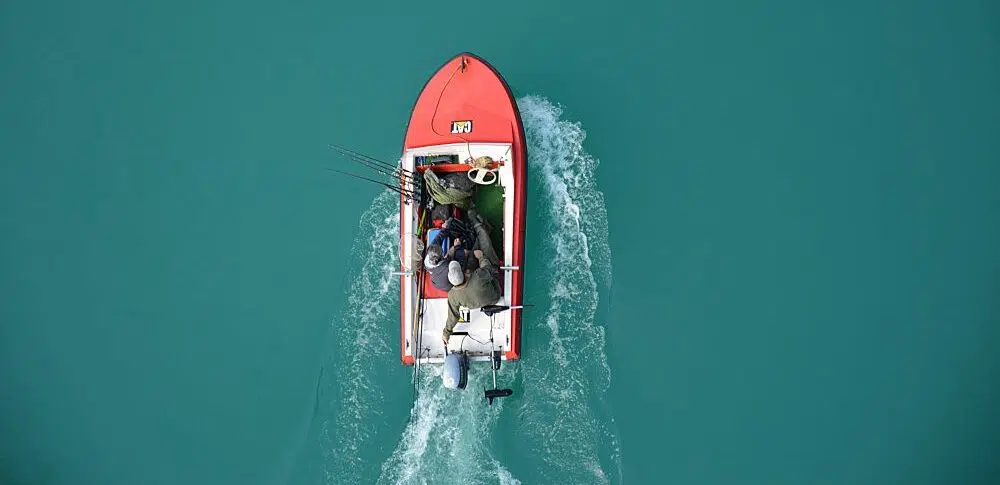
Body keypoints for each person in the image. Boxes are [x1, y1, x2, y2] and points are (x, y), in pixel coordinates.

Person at [442, 207, 502, 345]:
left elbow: (453, 317)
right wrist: (481, 258)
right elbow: (490, 270)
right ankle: (479, 225)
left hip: (477, 300)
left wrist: (446, 333)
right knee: (483, 245)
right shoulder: (478, 276)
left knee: (475, 249)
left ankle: (483, 228)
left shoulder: (452, 295)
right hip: (494, 294)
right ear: (463, 274)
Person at [424, 219, 467, 291]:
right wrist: (457, 247)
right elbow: (454, 261)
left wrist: (444, 228)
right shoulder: (446, 266)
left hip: (436, 281)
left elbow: (438, 239)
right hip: (448, 285)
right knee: (465, 253)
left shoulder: (430, 253)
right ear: (441, 257)